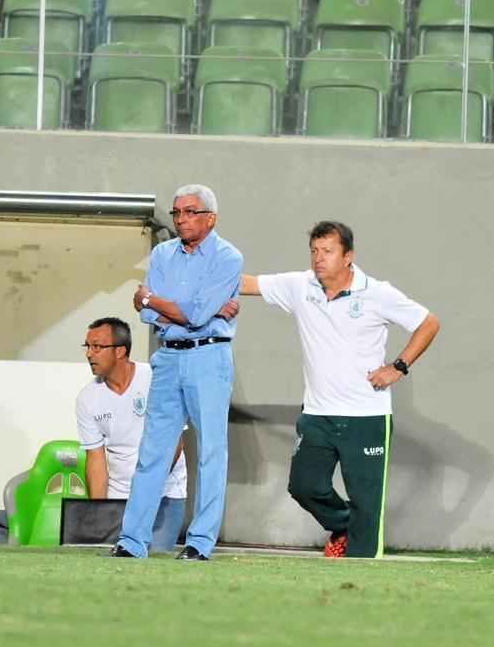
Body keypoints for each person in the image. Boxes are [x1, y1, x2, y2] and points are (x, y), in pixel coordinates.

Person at [240, 221, 440, 559]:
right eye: (314, 251)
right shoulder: (299, 285)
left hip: (366, 418)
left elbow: (428, 322)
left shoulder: (377, 292)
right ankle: (345, 524)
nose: (319, 258)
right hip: (317, 415)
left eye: (327, 251)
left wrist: (398, 367)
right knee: (304, 487)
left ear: (348, 256)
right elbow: (247, 283)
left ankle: (360, 576)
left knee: (367, 502)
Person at [113, 184, 243, 560]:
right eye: (177, 212)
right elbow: (146, 312)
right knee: (152, 450)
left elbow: (192, 313)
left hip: (209, 357)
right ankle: (131, 542)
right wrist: (183, 308)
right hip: (168, 357)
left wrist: (159, 301)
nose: (181, 219)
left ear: (210, 218)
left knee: (210, 453)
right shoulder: (162, 253)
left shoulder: (227, 257)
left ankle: (200, 543)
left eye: (190, 212)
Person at [76, 317, 187, 552]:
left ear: (120, 351)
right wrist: (99, 514)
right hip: (118, 500)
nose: (89, 354)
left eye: (97, 346)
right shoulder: (87, 399)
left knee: (155, 567)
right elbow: (96, 460)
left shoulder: (157, 379)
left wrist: (146, 492)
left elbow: (174, 443)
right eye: (87, 346)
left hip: (164, 495)